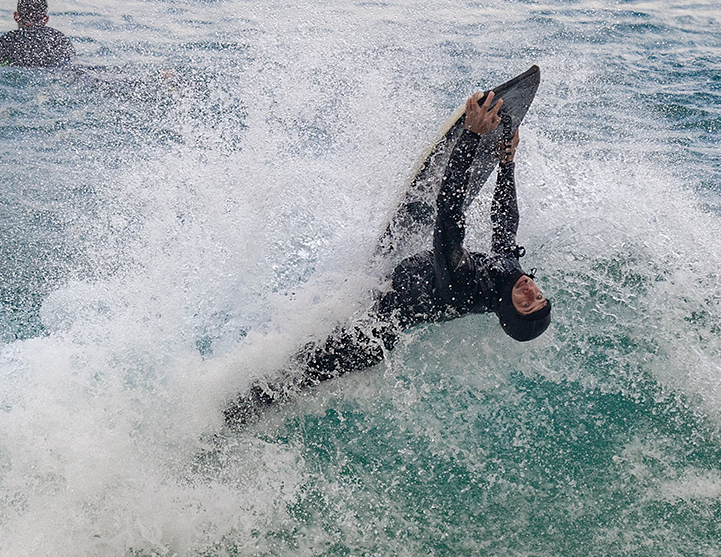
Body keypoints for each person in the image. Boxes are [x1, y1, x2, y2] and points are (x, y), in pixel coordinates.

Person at [225, 91, 551, 425]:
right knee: (287, 376)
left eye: (527, 304)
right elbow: (505, 220)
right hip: (381, 294)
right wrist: (507, 162)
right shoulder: (509, 273)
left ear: (509, 309)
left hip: (369, 335)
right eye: (539, 296)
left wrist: (471, 135)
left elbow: (450, 213)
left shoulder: (463, 285)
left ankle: (221, 425)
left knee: (283, 384)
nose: (530, 292)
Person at [0, 0, 74, 69]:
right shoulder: (58, 38)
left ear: (16, 16)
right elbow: (71, 65)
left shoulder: (10, 39)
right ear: (45, 19)